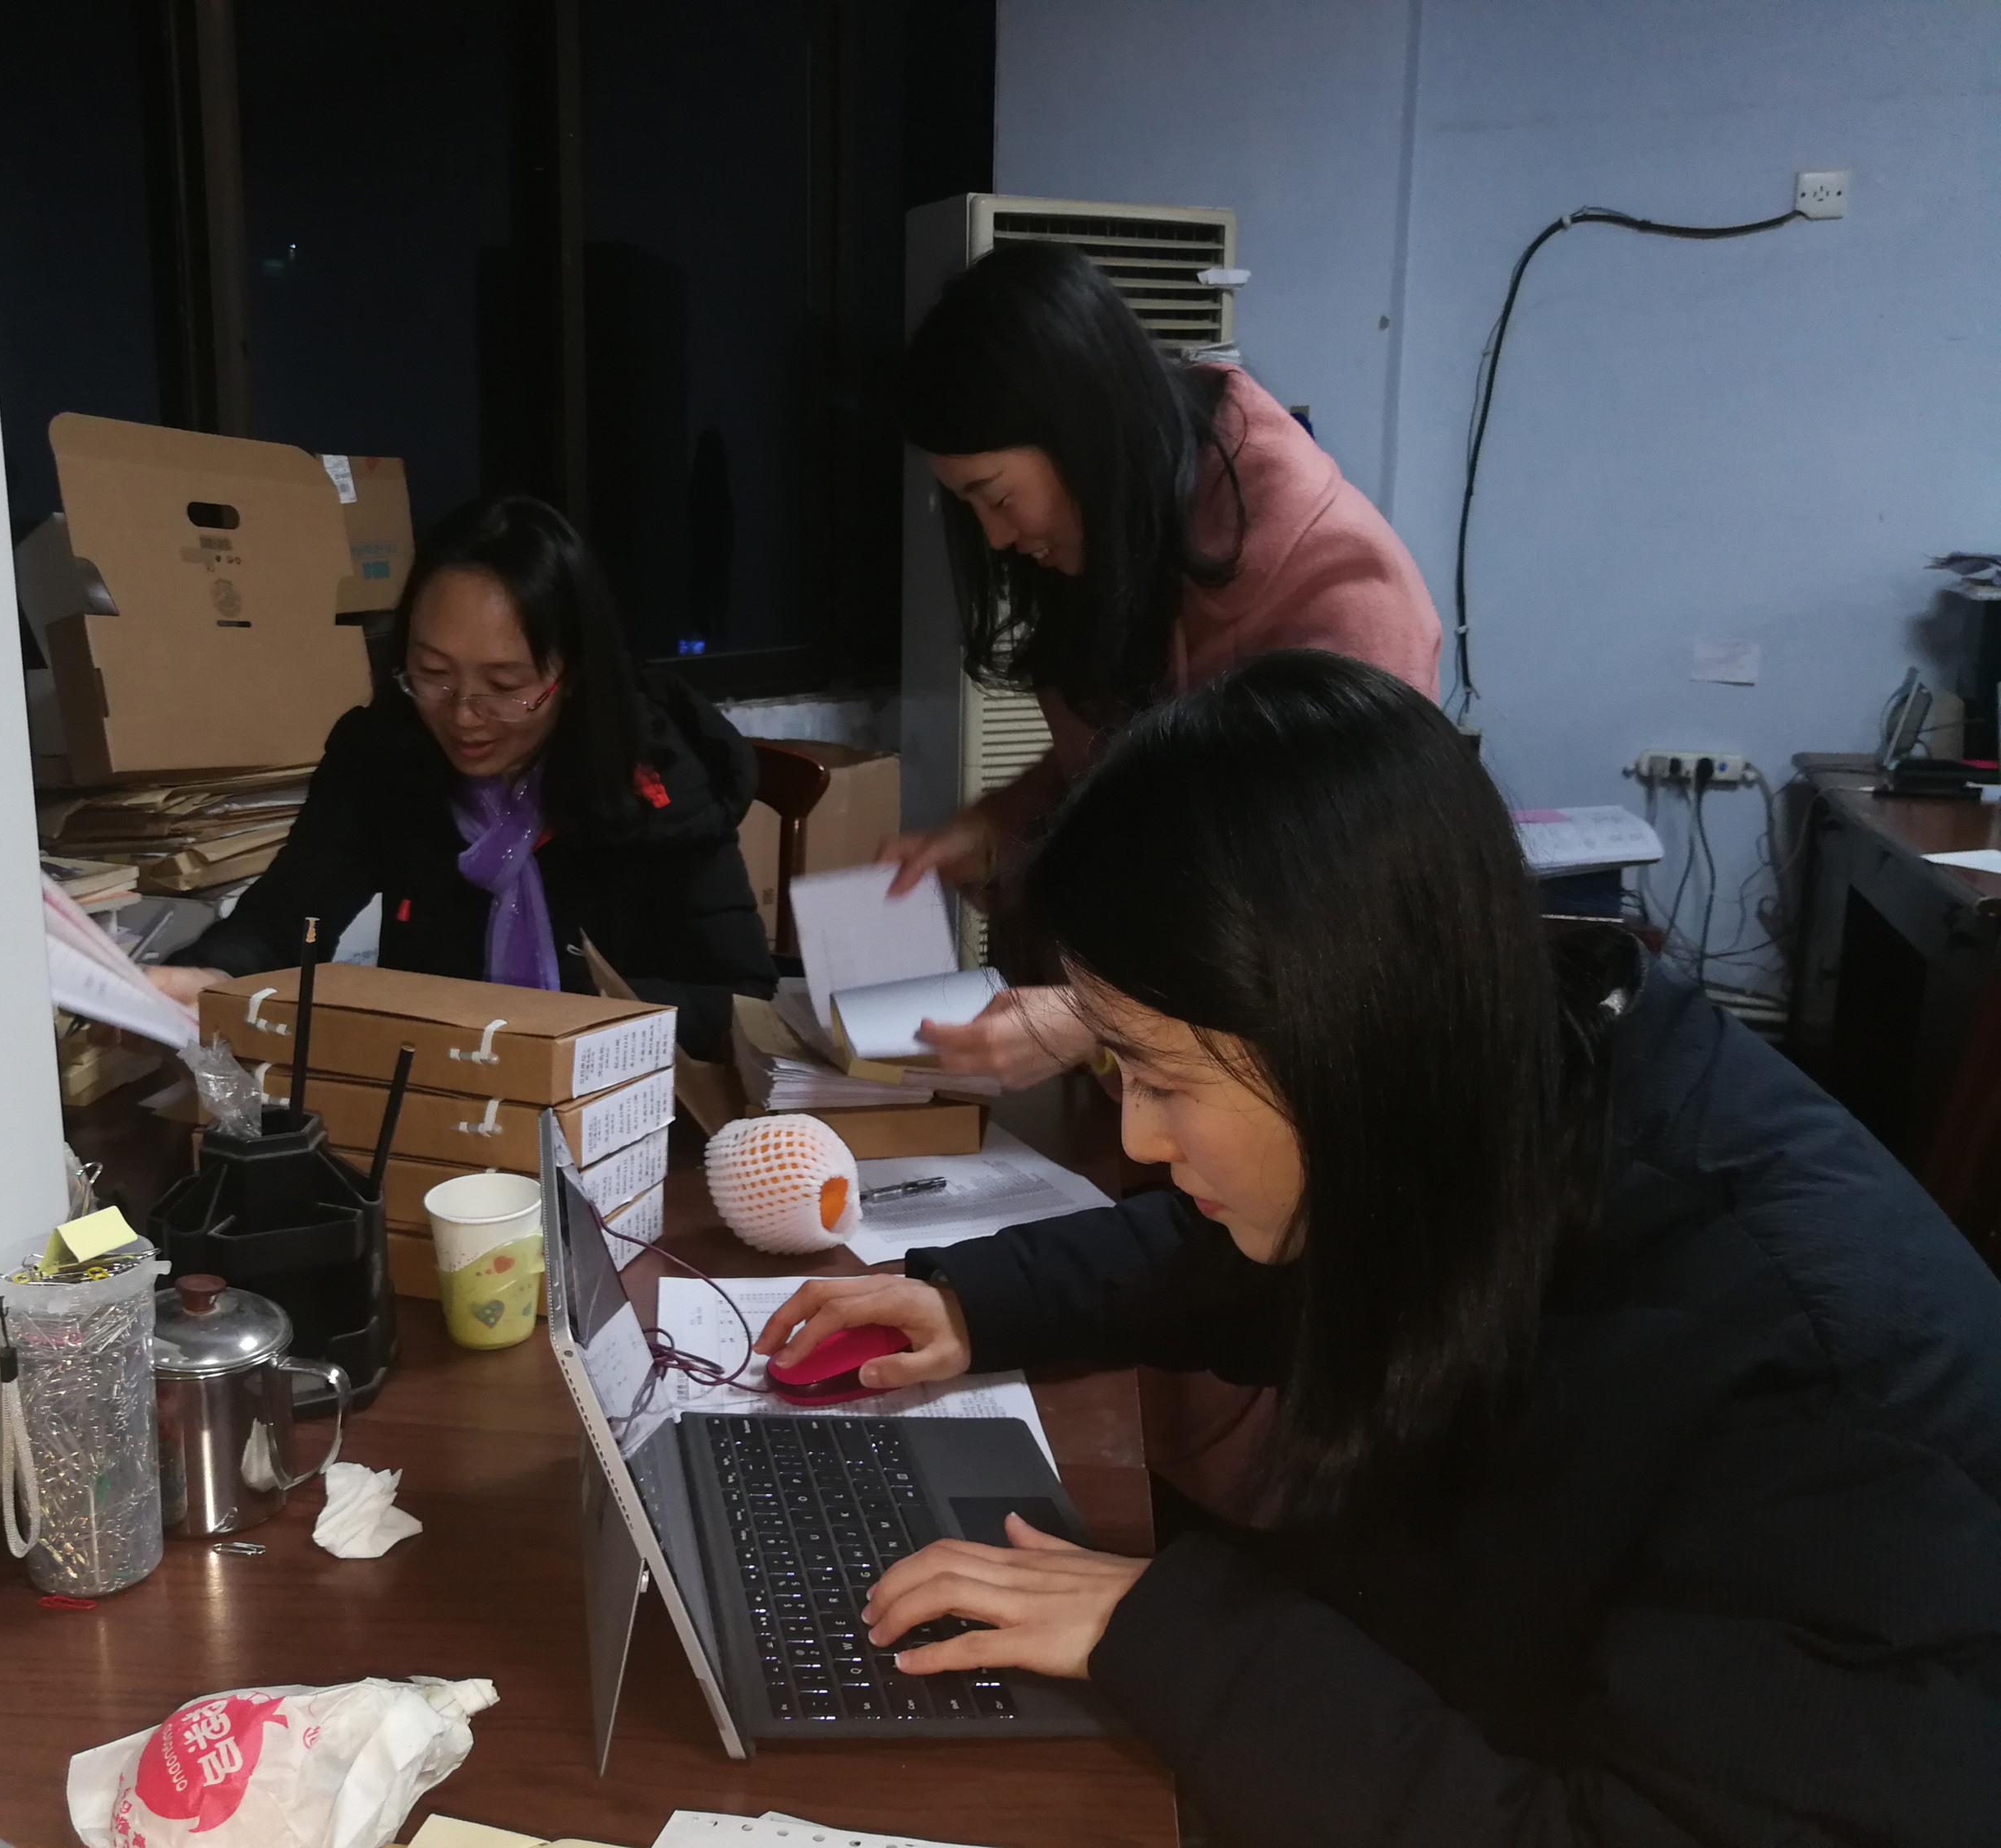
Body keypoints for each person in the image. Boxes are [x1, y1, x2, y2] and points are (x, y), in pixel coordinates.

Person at [758, 651, 2001, 1844]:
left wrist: (1171, 1629)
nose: (1137, 1134)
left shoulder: (1813, 1396)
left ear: (1343, 1032)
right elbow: (1256, 1252)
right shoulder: (1494, 1076)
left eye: (1163, 1078)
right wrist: (975, 1299)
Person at [884, 240, 1441, 1087]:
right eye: (969, 508)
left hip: (1299, 1090)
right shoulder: (1125, 534)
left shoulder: (1337, 589)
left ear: (1083, 436)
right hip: (1150, 1069)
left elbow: (1343, 906)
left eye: (996, 497)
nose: (995, 537)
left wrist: (1096, 1018)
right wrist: (997, 829)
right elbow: (1127, 772)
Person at [151, 494, 776, 1058]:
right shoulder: (388, 754)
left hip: (619, 1103)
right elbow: (289, 918)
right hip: (435, 1090)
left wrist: (563, 1013)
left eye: (505, 685)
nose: (464, 716)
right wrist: (212, 976)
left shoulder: (652, 778)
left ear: (572, 676)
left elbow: (742, 1003)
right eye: (433, 675)